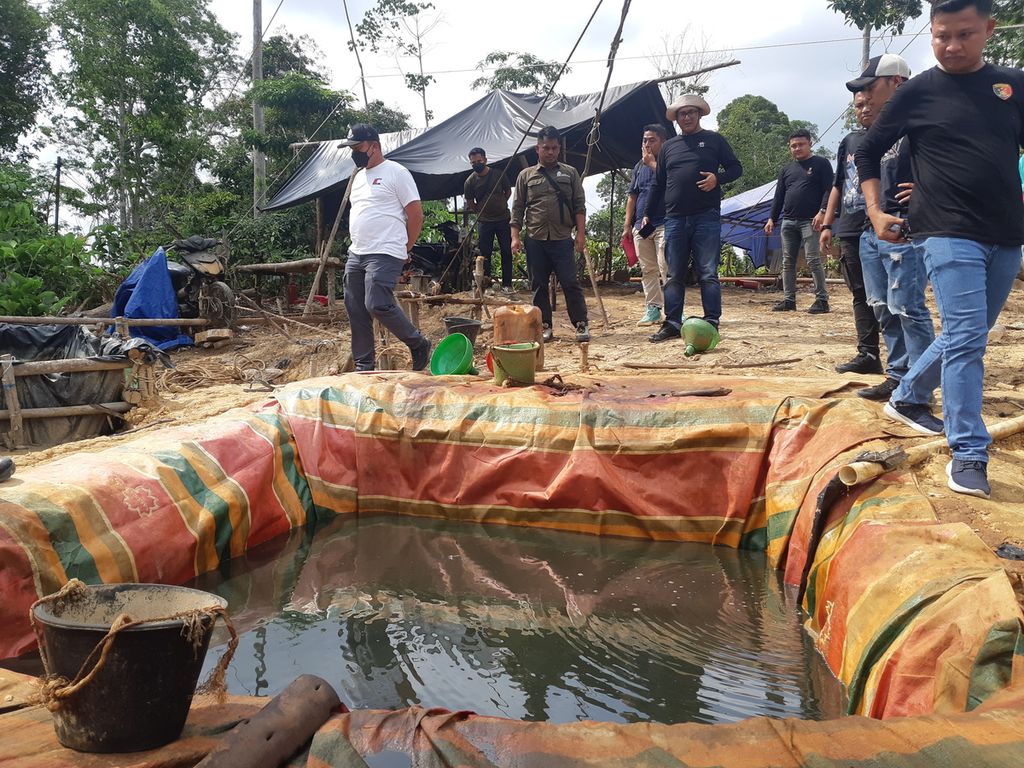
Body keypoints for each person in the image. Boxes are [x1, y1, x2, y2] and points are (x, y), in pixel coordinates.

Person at [855, 0, 1024, 498]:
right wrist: (875, 211)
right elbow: (868, 148)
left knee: (970, 331)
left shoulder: (1013, 86)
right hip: (945, 230)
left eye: (964, 34)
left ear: (989, 30)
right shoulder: (919, 92)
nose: (951, 46)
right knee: (969, 334)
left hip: (1006, 232)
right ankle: (969, 451)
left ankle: (907, 396)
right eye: (941, 36)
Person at [847, 54, 936, 403]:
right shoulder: (878, 135)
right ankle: (898, 376)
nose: (864, 97)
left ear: (896, 83)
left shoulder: (922, 123)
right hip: (873, 229)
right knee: (882, 306)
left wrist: (931, 188)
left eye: (870, 87)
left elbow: (957, 160)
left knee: (908, 307)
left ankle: (920, 385)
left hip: (904, 226)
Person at [643, 94, 742, 343]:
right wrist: (646, 214)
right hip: (674, 218)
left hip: (706, 216)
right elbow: (659, 182)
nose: (686, 117)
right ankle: (673, 323)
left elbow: (736, 168)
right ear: (676, 119)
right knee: (674, 273)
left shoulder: (714, 140)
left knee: (708, 272)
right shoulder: (668, 147)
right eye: (681, 114)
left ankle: (711, 322)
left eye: (690, 113)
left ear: (699, 115)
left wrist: (717, 178)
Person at [341, 123, 432, 372]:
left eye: (358, 147)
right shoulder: (358, 177)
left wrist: (405, 247)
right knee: (355, 307)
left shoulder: (396, 172)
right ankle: (364, 366)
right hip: (357, 251)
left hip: (386, 250)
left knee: (377, 303)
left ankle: (418, 342)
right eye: (352, 148)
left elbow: (415, 214)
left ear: (375, 146)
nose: (354, 153)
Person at [819, 91, 884, 374]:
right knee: (859, 293)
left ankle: (902, 360)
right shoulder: (850, 141)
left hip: (886, 226)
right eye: (859, 105)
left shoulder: (900, 134)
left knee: (891, 296)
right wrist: (827, 223)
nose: (865, 109)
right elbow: (838, 184)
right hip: (850, 227)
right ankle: (868, 354)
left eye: (870, 103)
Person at [510, 126, 591, 343]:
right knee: (538, 284)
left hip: (562, 238)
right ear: (537, 148)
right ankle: (544, 325)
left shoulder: (570, 173)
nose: (550, 152)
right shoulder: (525, 176)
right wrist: (515, 237)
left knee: (570, 282)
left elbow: (579, 206)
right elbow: (517, 209)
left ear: (559, 148)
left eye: (554, 148)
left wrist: (580, 235)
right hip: (535, 238)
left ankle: (581, 324)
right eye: (546, 148)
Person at [764, 129, 834, 314]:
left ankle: (822, 300)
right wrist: (772, 218)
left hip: (811, 221)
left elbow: (829, 190)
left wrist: (822, 212)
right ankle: (789, 300)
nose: (797, 148)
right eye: (793, 146)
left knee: (813, 259)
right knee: (787, 262)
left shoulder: (821, 163)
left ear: (810, 144)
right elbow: (779, 196)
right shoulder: (786, 169)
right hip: (788, 221)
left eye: (801, 144)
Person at [622, 124, 669, 327]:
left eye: (652, 140)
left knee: (666, 266)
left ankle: (675, 310)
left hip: (665, 222)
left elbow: (674, 183)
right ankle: (653, 309)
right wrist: (627, 225)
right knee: (648, 269)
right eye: (644, 140)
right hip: (641, 226)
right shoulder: (638, 167)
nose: (647, 144)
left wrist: (652, 164)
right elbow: (632, 197)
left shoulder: (669, 163)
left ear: (663, 142)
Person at [463, 148, 514, 292]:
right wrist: (480, 210)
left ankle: (507, 284)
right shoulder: (470, 182)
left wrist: (501, 203)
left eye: (479, 161)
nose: (476, 164)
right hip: (484, 221)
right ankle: (488, 284)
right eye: (473, 162)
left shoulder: (498, 174)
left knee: (506, 251)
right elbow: (470, 201)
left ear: (485, 160)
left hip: (503, 219)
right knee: (485, 253)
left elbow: (508, 191)